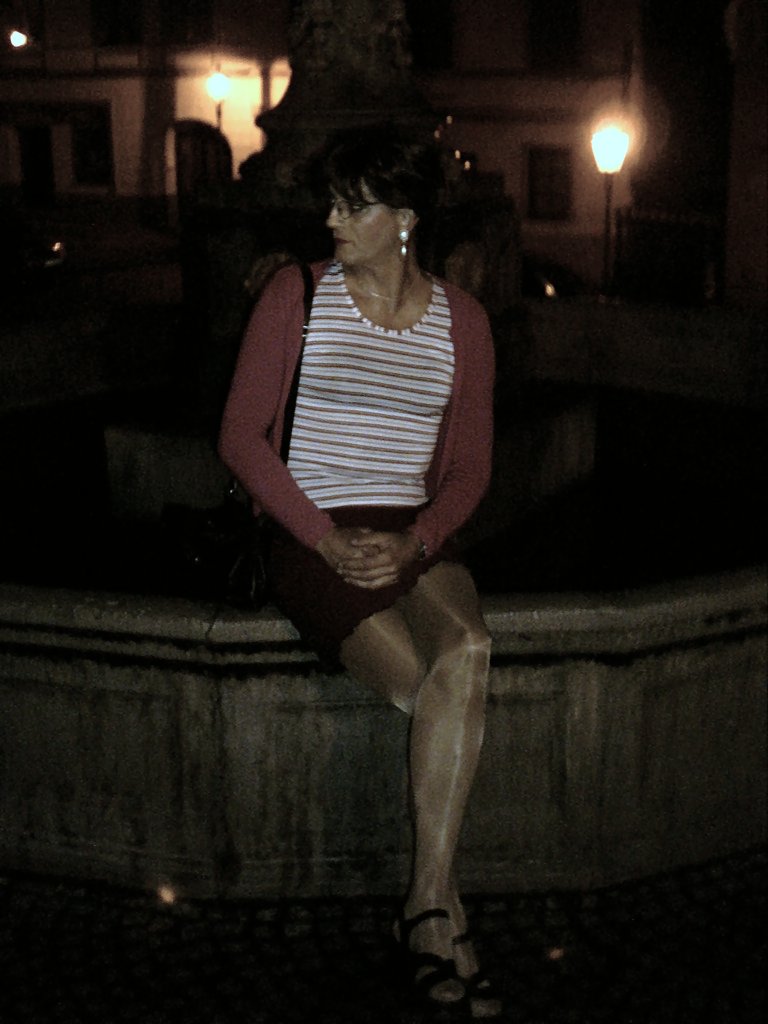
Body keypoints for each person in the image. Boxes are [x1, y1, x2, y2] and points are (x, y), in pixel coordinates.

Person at [218, 123, 499, 1018]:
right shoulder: (296, 295)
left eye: (354, 206)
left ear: (405, 218)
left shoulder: (464, 321)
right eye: (333, 204)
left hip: (411, 532)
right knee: (433, 687)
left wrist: (420, 540)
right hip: (312, 534)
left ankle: (423, 907)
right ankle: (443, 913)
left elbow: (471, 469)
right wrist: (319, 536)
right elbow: (240, 438)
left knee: (471, 650)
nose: (332, 220)